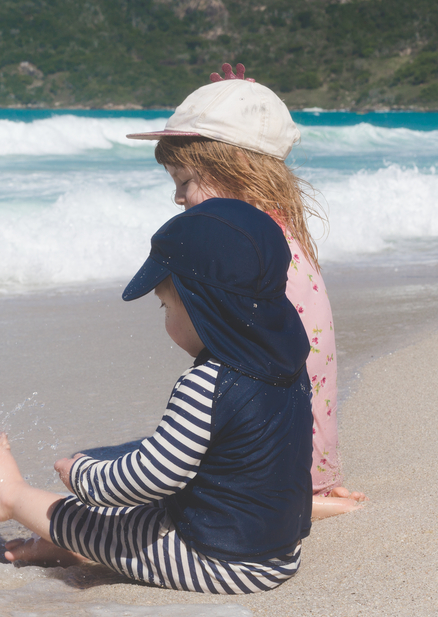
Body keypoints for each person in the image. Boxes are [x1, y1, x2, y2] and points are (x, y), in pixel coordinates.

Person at [0, 201, 315, 592]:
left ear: (205, 308)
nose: (165, 317)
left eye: (166, 306)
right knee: (140, 514)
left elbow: (152, 476)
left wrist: (82, 476)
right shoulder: (289, 363)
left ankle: (11, 496)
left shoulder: (208, 383)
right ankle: (75, 546)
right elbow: (291, 458)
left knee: (98, 522)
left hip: (218, 562)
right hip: (279, 553)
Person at [125, 63, 366, 519]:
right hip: (299, 445)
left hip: (273, 461)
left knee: (135, 503)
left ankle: (303, 500)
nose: (178, 199)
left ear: (235, 168)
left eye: (185, 182)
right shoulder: (275, 229)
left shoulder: (242, 256)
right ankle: (313, 489)